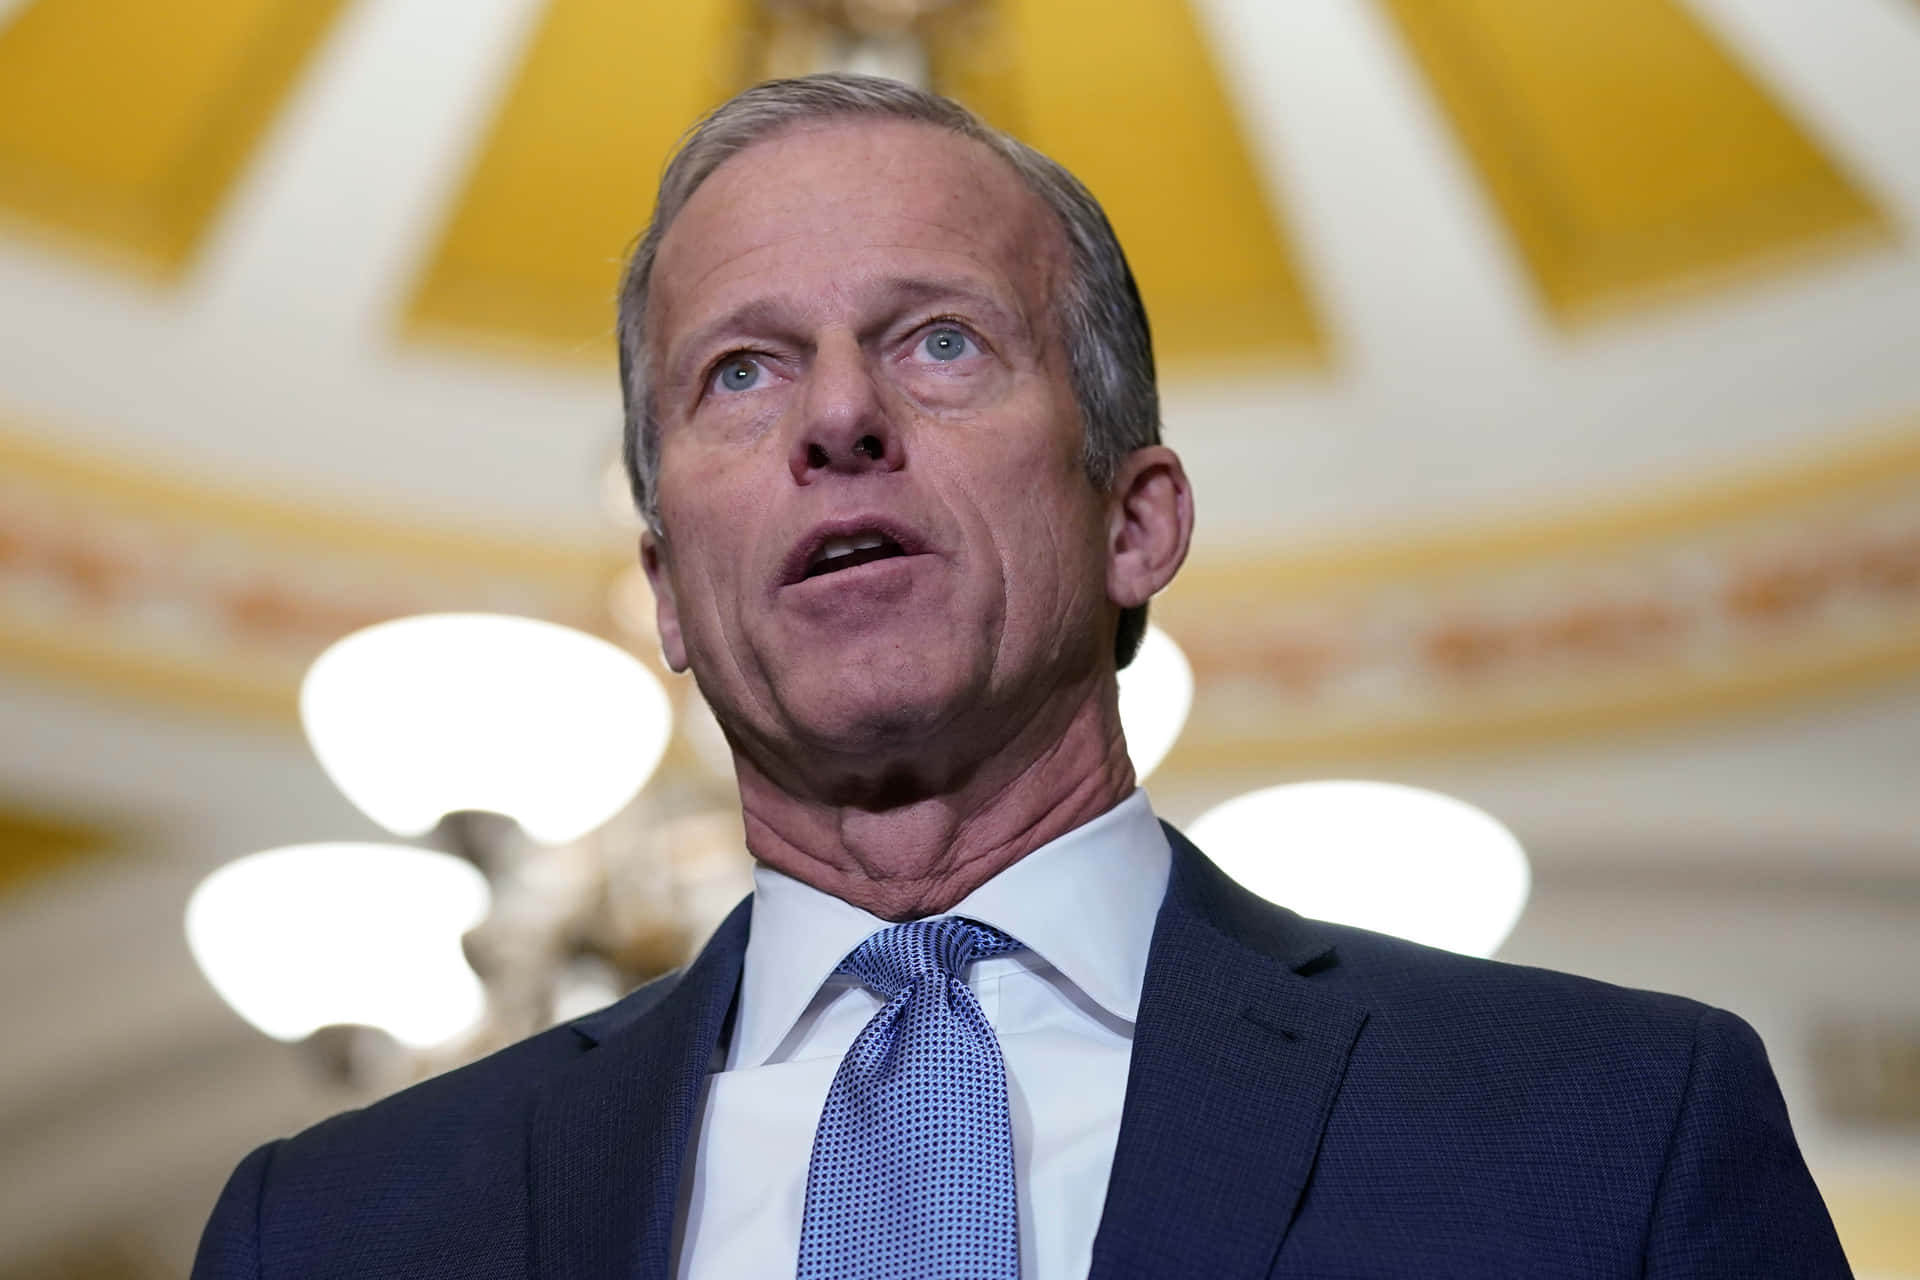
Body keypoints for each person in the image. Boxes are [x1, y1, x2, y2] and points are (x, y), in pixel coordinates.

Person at [194, 73, 1850, 1279]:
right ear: (666, 598)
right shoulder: (338, 1229)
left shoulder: (1611, 1130)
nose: (838, 419)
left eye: (939, 341)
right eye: (743, 370)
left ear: (1138, 521)